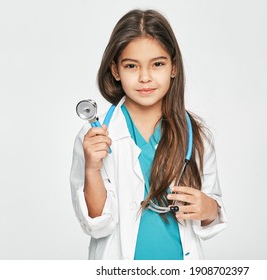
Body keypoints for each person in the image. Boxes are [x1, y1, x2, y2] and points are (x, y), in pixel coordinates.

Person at [70, 9, 227, 260]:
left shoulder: (196, 135)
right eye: (131, 66)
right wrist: (91, 169)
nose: (145, 77)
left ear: (173, 67)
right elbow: (97, 225)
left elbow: (210, 214)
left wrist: (209, 208)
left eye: (158, 64)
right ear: (115, 70)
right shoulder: (94, 137)